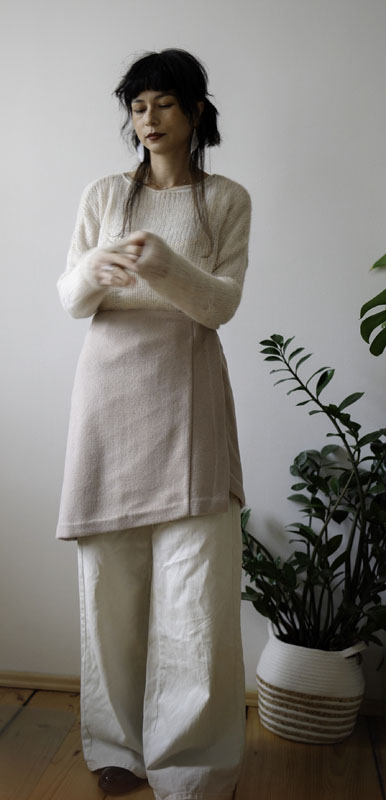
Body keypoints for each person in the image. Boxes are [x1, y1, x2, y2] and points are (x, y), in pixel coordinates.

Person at [56, 48, 252, 800]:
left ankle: (191, 767)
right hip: (107, 395)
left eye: (164, 103)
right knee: (107, 580)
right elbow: (70, 297)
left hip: (188, 392)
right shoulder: (105, 193)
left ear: (195, 111)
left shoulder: (226, 199)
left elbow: (220, 304)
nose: (149, 119)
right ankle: (116, 747)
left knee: (193, 590)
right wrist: (93, 272)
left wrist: (162, 264)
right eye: (138, 107)